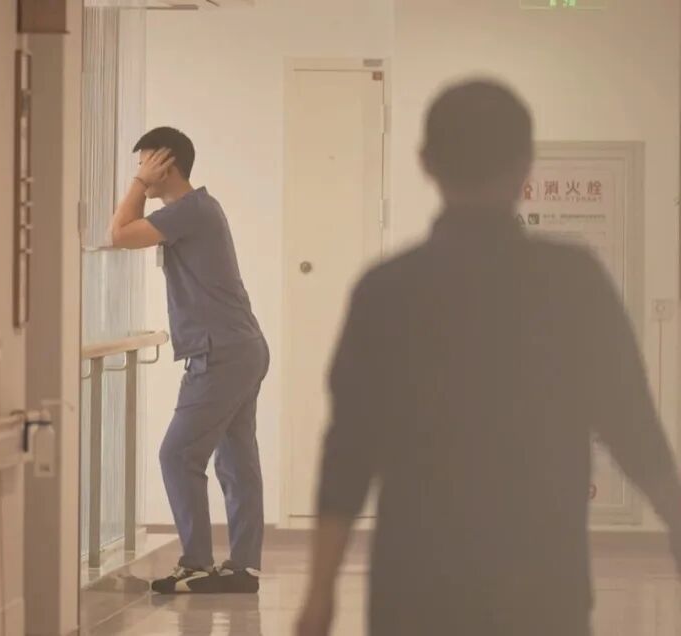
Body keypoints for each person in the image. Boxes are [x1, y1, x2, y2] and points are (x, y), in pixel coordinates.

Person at [296, 79, 681, 635]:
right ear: (526, 165)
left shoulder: (387, 290)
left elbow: (348, 450)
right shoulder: (572, 281)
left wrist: (320, 591)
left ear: (426, 162)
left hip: (415, 584)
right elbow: (631, 422)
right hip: (543, 582)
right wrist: (674, 518)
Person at [109, 126, 269, 594]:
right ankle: (243, 568)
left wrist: (138, 184)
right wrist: (143, 183)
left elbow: (119, 234)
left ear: (165, 163)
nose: (139, 171)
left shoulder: (189, 210)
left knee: (177, 455)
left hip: (220, 352)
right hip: (240, 347)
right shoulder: (199, 209)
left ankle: (197, 563)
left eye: (145, 162)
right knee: (236, 459)